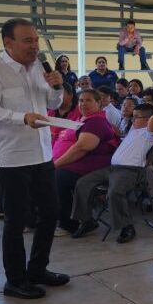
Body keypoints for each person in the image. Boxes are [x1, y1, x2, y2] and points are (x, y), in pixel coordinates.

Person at [0, 18, 68, 299]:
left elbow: (54, 105)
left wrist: (57, 87)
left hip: (42, 153)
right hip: (13, 156)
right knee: (16, 220)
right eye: (27, 41)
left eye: (36, 40)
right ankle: (15, 280)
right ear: (8, 42)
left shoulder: (40, 68)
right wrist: (21, 117)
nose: (34, 46)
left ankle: (38, 269)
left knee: (51, 212)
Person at [71, 103, 153, 244]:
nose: (133, 120)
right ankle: (86, 221)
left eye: (136, 117)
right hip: (112, 169)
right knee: (82, 183)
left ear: (147, 119)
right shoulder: (134, 129)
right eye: (133, 117)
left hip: (129, 171)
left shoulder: (150, 134)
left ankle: (127, 227)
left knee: (114, 192)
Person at [51, 89, 117, 236]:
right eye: (81, 100)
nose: (83, 104)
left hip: (92, 166)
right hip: (78, 163)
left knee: (58, 177)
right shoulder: (83, 119)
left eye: (88, 100)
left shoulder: (96, 122)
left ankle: (69, 223)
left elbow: (82, 148)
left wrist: (56, 164)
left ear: (98, 103)